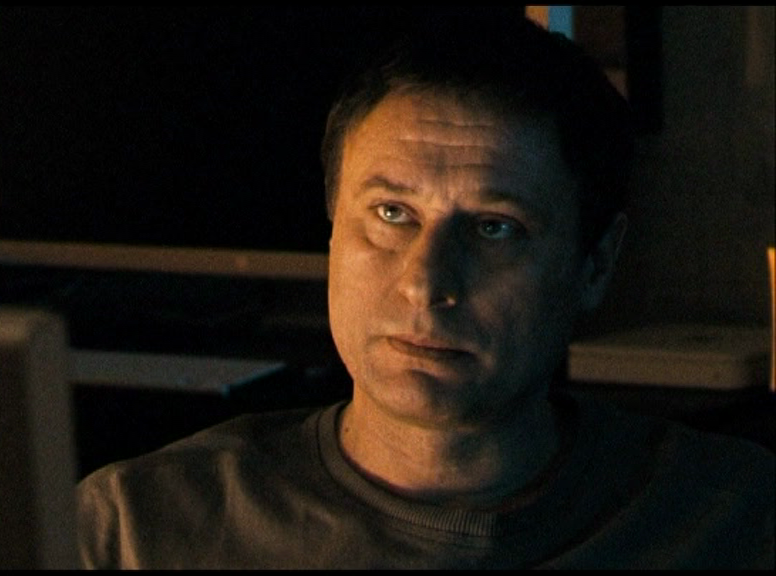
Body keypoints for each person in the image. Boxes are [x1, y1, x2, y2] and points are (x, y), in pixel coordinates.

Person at [75, 13, 775, 569]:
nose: (425, 282)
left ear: (594, 264)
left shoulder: (733, 519)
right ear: (332, 229)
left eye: (495, 228)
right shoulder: (136, 530)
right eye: (391, 214)